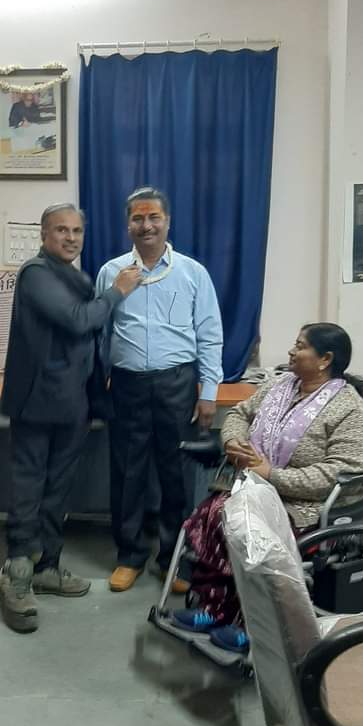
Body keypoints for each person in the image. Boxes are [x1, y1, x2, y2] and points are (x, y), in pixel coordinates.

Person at [175, 322, 363, 651]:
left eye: (300, 346)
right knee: (213, 514)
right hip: (254, 487)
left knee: (253, 533)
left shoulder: (351, 411)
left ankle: (255, 624)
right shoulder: (279, 386)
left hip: (306, 504)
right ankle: (214, 607)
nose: (291, 351)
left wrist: (272, 474)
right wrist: (234, 443)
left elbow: (337, 474)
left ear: (325, 359)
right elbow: (239, 415)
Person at [0, 204, 141, 633]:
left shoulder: (74, 277)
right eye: (61, 230)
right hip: (37, 402)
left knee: (58, 490)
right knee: (29, 488)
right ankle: (16, 577)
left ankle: (47, 567)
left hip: (72, 402)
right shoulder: (36, 273)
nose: (71, 238)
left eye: (77, 231)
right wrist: (117, 292)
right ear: (44, 234)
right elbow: (79, 321)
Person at [96, 187, 224, 593]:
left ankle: (175, 556)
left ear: (167, 221)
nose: (146, 225)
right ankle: (129, 555)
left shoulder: (192, 272)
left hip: (177, 383)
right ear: (128, 224)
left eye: (154, 217)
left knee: (177, 473)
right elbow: (100, 333)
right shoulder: (111, 272)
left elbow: (210, 334)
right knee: (127, 471)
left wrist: (209, 392)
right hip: (127, 385)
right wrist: (99, 385)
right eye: (138, 218)